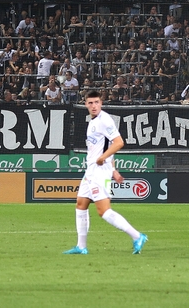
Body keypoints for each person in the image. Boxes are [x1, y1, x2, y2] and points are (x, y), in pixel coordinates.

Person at [64, 90, 148, 255]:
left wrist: (103, 160)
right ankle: (81, 246)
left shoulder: (105, 120)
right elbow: (109, 145)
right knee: (81, 204)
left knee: (103, 211)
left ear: (101, 103)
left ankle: (137, 236)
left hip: (99, 171)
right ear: (86, 104)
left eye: (96, 102)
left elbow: (118, 142)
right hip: (92, 170)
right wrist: (114, 169)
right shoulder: (93, 122)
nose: (94, 106)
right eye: (90, 103)